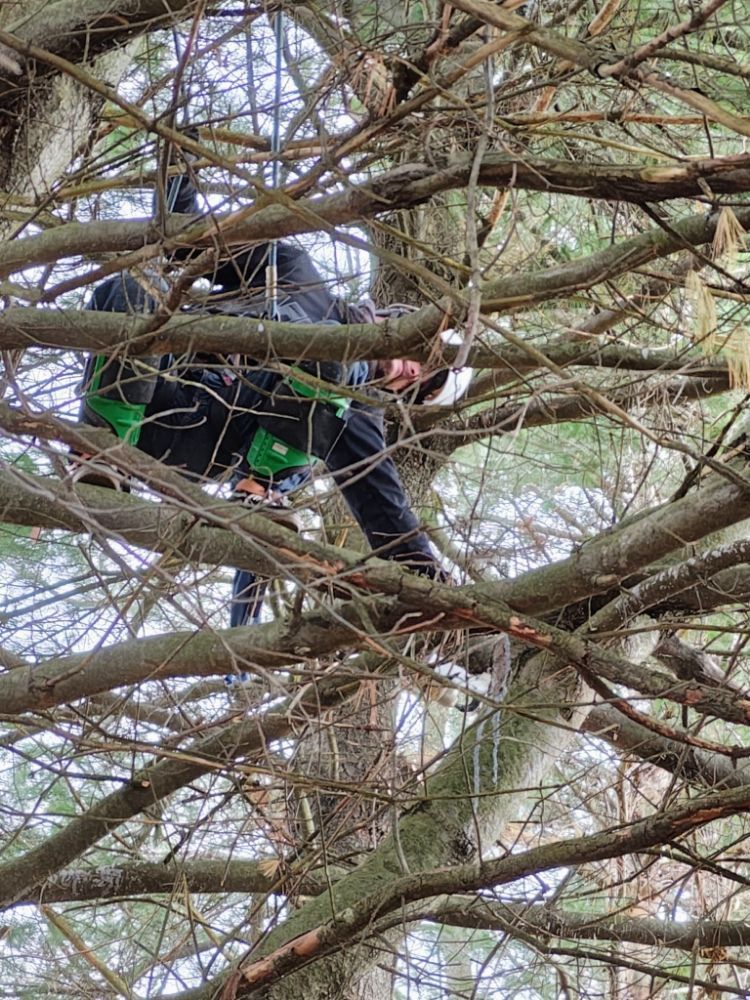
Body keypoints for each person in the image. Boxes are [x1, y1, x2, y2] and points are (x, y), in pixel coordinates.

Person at [76, 176, 468, 622]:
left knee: (332, 360)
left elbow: (383, 504)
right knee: (131, 291)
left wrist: (432, 583)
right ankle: (101, 448)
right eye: (427, 361)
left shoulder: (357, 408)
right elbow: (190, 242)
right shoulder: (295, 272)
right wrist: (179, 171)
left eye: (418, 387)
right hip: (160, 383)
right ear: (401, 321)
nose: (414, 374)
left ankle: (256, 492)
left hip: (210, 444)